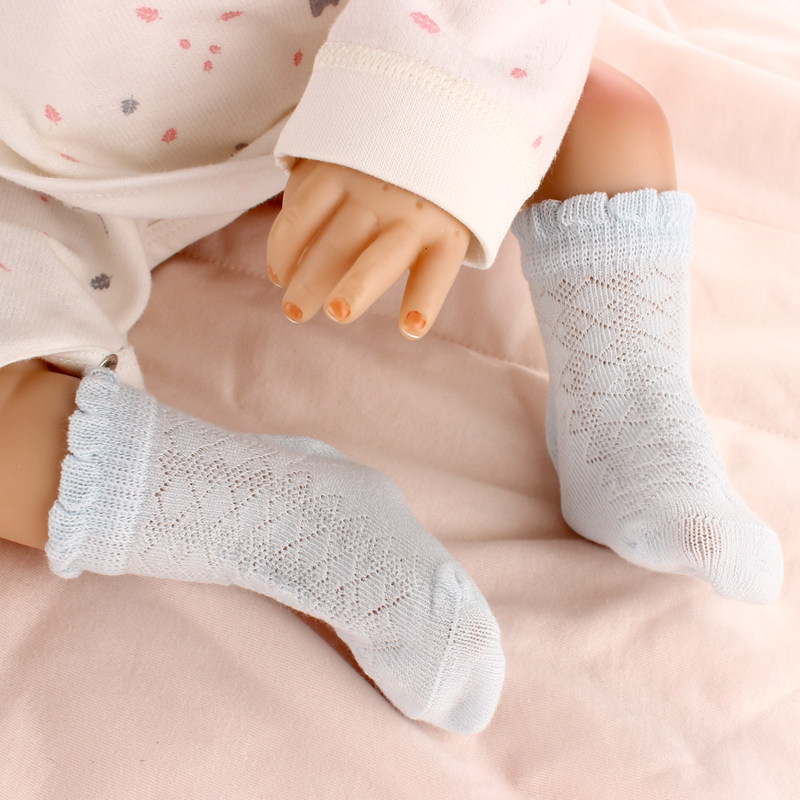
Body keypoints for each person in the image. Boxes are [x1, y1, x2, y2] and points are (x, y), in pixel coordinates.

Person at [0, 0, 783, 735]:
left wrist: (420, 118)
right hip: (23, 163)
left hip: (304, 63)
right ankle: (295, 520)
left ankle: (629, 411)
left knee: (598, 112)